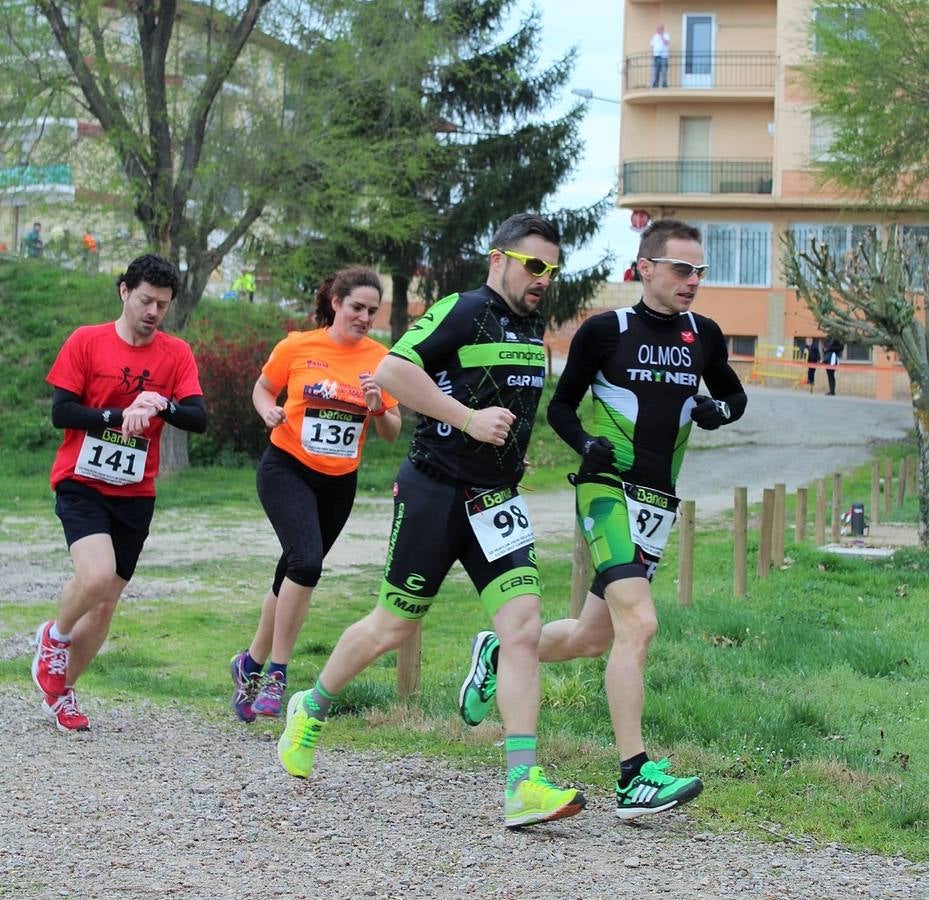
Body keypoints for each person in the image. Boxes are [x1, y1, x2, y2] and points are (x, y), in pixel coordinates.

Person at [275, 213, 587, 829]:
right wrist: (467, 421)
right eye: (534, 265)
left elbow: (510, 402)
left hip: (496, 498)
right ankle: (310, 708)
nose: (543, 279)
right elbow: (392, 372)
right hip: (435, 493)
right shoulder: (464, 310)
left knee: (522, 627)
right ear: (498, 259)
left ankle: (524, 782)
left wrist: (509, 446)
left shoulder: (532, 328)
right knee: (392, 626)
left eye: (552, 269)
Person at [458, 219, 747, 821]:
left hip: (657, 503)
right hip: (607, 490)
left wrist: (719, 410)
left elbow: (733, 395)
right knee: (639, 624)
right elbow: (560, 408)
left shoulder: (706, 335)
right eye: (680, 269)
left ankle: (497, 652)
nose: (692, 282)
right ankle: (634, 776)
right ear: (645, 268)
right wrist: (585, 443)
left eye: (700, 271)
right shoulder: (606, 331)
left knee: (595, 637)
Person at [32, 254, 207, 732]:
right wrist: (114, 415)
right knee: (96, 577)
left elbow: (198, 418)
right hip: (82, 481)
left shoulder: (175, 354)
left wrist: (161, 404)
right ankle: (55, 635)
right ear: (124, 291)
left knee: (107, 602)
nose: (153, 312)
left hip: (134, 490)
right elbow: (62, 412)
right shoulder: (86, 341)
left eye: (163, 305)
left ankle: (61, 691)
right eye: (146, 300)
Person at [229, 267, 402, 722]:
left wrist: (378, 405)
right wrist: (268, 411)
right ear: (336, 304)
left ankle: (248, 663)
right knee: (306, 563)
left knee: (291, 571)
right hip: (287, 467)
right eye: (357, 308)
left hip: (338, 482)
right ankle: (278, 674)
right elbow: (264, 388)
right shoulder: (298, 345)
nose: (364, 317)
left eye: (372, 310)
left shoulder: (382, 359)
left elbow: (390, 431)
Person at [650, 24, 671, 88]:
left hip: (663, 57)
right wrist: (652, 54)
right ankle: (655, 84)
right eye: (657, 29)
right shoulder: (655, 36)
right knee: (655, 71)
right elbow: (652, 46)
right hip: (656, 56)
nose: (657, 30)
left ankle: (664, 84)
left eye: (658, 29)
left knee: (664, 71)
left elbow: (666, 43)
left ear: (662, 29)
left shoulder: (666, 35)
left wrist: (661, 36)